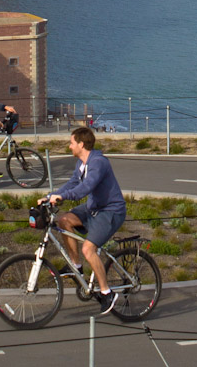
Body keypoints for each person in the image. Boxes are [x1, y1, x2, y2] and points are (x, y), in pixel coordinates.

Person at [46, 126, 126, 315]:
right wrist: (50, 195)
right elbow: (73, 183)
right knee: (64, 220)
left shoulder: (98, 163)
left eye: (71, 143)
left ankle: (107, 293)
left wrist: (63, 197)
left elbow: (86, 187)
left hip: (110, 211)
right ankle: (76, 267)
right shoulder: (82, 163)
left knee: (88, 249)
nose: (69, 146)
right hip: (94, 208)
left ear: (81, 144)